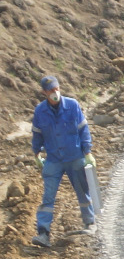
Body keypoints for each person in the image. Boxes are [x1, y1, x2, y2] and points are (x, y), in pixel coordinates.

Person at [31, 74, 95, 246]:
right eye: (51, 90)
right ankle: (43, 233)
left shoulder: (72, 105)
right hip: (53, 159)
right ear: (44, 92)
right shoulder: (40, 111)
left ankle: (89, 223)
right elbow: (37, 134)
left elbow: (83, 129)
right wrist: (37, 154)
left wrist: (87, 151)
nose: (55, 92)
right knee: (48, 197)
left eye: (57, 88)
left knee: (83, 191)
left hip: (75, 156)